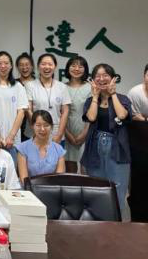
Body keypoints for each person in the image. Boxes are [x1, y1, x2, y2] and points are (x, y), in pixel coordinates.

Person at [81, 64, 132, 215]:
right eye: (97, 76)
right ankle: (98, 223)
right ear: (93, 80)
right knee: (96, 189)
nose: (101, 79)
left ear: (113, 78)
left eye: (105, 75)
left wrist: (113, 94)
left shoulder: (123, 98)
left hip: (117, 147)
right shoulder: (90, 101)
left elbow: (122, 115)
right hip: (95, 147)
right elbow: (91, 117)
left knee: (118, 189)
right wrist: (95, 97)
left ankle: (117, 224)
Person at [25, 54, 71, 143]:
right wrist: (37, 129)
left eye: (50, 64)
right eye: (43, 64)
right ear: (38, 67)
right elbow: (28, 110)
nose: (47, 67)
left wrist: (59, 134)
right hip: (34, 134)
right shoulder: (30, 86)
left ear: (55, 66)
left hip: (56, 135)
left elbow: (65, 112)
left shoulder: (62, 87)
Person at [17, 110, 66, 184]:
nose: (42, 129)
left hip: (52, 189)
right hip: (28, 189)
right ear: (32, 126)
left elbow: (59, 179)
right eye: (38, 125)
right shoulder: (23, 148)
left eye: (46, 125)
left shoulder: (59, 150)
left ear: (51, 127)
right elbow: (24, 180)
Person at [64, 56, 91, 173]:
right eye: (73, 65)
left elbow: (92, 112)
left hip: (85, 129)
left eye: (80, 66)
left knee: (85, 168)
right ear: (68, 68)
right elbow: (60, 113)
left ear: (85, 69)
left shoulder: (90, 87)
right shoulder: (62, 87)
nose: (76, 69)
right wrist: (67, 134)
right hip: (66, 130)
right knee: (70, 168)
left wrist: (85, 133)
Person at [16, 52, 35, 142]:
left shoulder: (38, 84)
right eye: (21, 65)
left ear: (32, 66)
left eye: (27, 65)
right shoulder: (13, 84)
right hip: (16, 123)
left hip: (32, 125)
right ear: (17, 67)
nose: (24, 68)